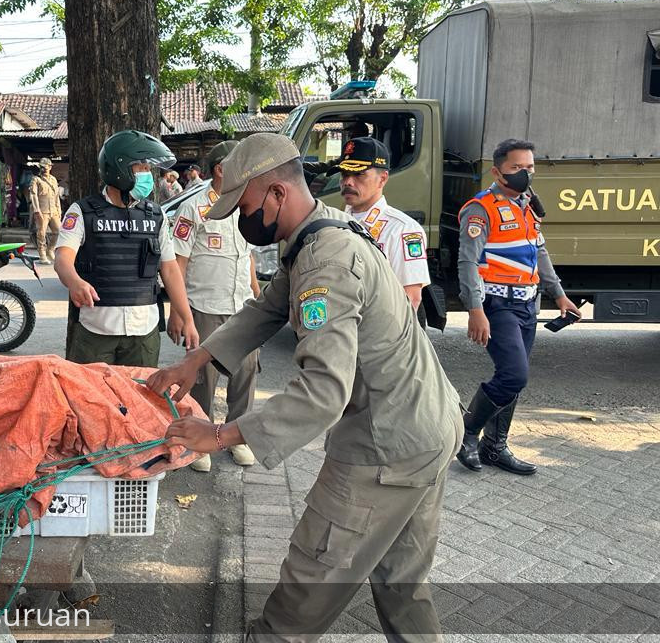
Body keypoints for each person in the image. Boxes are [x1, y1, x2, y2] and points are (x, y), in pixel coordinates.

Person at [147, 133, 462, 641]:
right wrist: (197, 359)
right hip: (426, 429)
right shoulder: (322, 232)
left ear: (276, 194)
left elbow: (322, 392)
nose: (240, 220)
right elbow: (267, 306)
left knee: (301, 598)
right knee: (402, 585)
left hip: (384, 448)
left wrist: (220, 436)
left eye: (244, 206)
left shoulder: (326, 262)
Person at [456, 138, 580, 476]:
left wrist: (559, 294)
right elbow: (467, 262)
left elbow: (539, 253)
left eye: (529, 168)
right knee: (514, 375)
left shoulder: (527, 204)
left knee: (512, 379)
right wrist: (475, 309)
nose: (525, 173)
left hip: (528, 305)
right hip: (498, 305)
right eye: (516, 168)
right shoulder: (481, 208)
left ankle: (495, 447)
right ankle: (466, 433)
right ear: (497, 171)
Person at [54, 130, 200, 367]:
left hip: (144, 331)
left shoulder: (156, 215)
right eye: (141, 168)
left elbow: (171, 270)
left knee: (139, 400)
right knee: (91, 401)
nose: (148, 175)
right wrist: (74, 281)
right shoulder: (82, 211)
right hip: (96, 330)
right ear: (119, 169)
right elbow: (62, 258)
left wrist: (187, 318)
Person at [172, 140, 260, 472]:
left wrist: (256, 292)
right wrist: (178, 313)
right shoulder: (194, 208)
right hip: (205, 305)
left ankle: (238, 437)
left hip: (243, 306)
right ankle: (200, 438)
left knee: (246, 372)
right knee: (203, 376)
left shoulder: (246, 204)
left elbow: (247, 255)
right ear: (221, 169)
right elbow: (178, 263)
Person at [335, 137, 430, 309]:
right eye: (344, 174)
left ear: (383, 179)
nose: (348, 182)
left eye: (358, 174)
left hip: (374, 333)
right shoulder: (335, 221)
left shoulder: (402, 229)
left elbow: (411, 298)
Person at [29, 157, 62, 264]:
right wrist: (36, 210)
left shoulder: (53, 179)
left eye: (46, 166)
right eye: (42, 167)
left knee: (58, 231)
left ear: (50, 167)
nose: (44, 169)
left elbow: (56, 196)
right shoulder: (36, 179)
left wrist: (59, 209)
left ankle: (50, 250)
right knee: (41, 233)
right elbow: (33, 195)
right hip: (42, 210)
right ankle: (42, 254)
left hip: (53, 210)